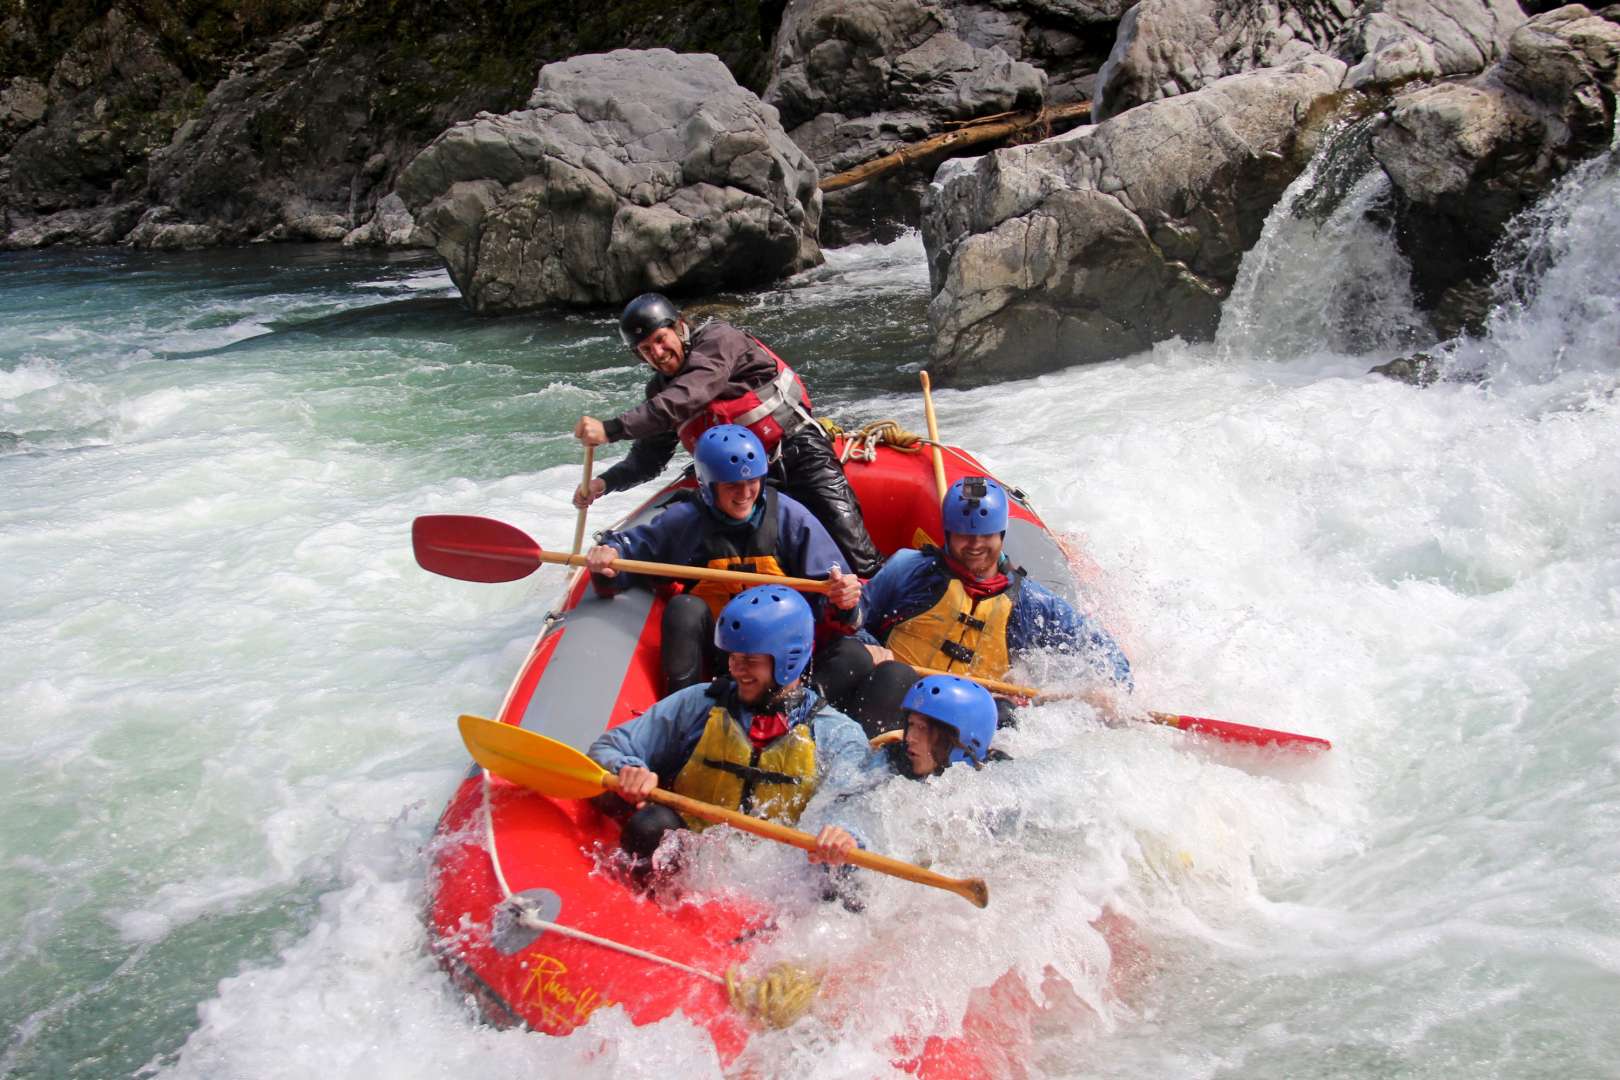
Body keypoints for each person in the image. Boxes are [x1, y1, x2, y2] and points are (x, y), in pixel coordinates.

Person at [572, 293, 882, 578]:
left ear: (679, 328)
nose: (657, 353)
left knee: (854, 556)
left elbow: (691, 393)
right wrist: (603, 483)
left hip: (796, 453)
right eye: (645, 349)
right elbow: (648, 458)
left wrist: (611, 429)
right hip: (737, 485)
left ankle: (875, 598)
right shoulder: (660, 393)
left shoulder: (719, 340)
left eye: (660, 339)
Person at [587, 585, 880, 878]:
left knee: (843, 871)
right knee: (649, 826)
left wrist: (845, 833)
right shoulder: (699, 703)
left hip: (779, 877)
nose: (737, 670)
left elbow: (853, 802)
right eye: (733, 658)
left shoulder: (836, 734)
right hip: (696, 857)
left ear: (788, 662)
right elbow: (608, 748)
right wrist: (628, 768)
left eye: (750, 661)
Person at [817, 475, 1131, 736]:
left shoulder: (1030, 603)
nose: (976, 545)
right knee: (864, 661)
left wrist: (1111, 692)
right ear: (948, 535)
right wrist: (864, 637)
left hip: (961, 717)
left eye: (985, 536)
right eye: (965, 536)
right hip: (897, 693)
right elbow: (855, 622)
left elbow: (1101, 650)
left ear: (1002, 534)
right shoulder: (910, 568)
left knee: (1005, 715)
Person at [586, 424, 863, 692]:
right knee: (685, 608)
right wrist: (608, 558)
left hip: (786, 660)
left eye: (752, 481)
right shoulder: (684, 521)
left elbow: (836, 600)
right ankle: (686, 710)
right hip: (724, 655)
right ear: (709, 486)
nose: (744, 494)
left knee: (853, 655)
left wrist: (843, 600)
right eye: (732, 485)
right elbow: (627, 552)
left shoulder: (792, 518)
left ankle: (797, 712)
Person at [893, 674, 1002, 780]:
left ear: (967, 743)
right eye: (911, 724)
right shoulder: (891, 762)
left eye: (923, 728)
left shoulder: (990, 786)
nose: (909, 738)